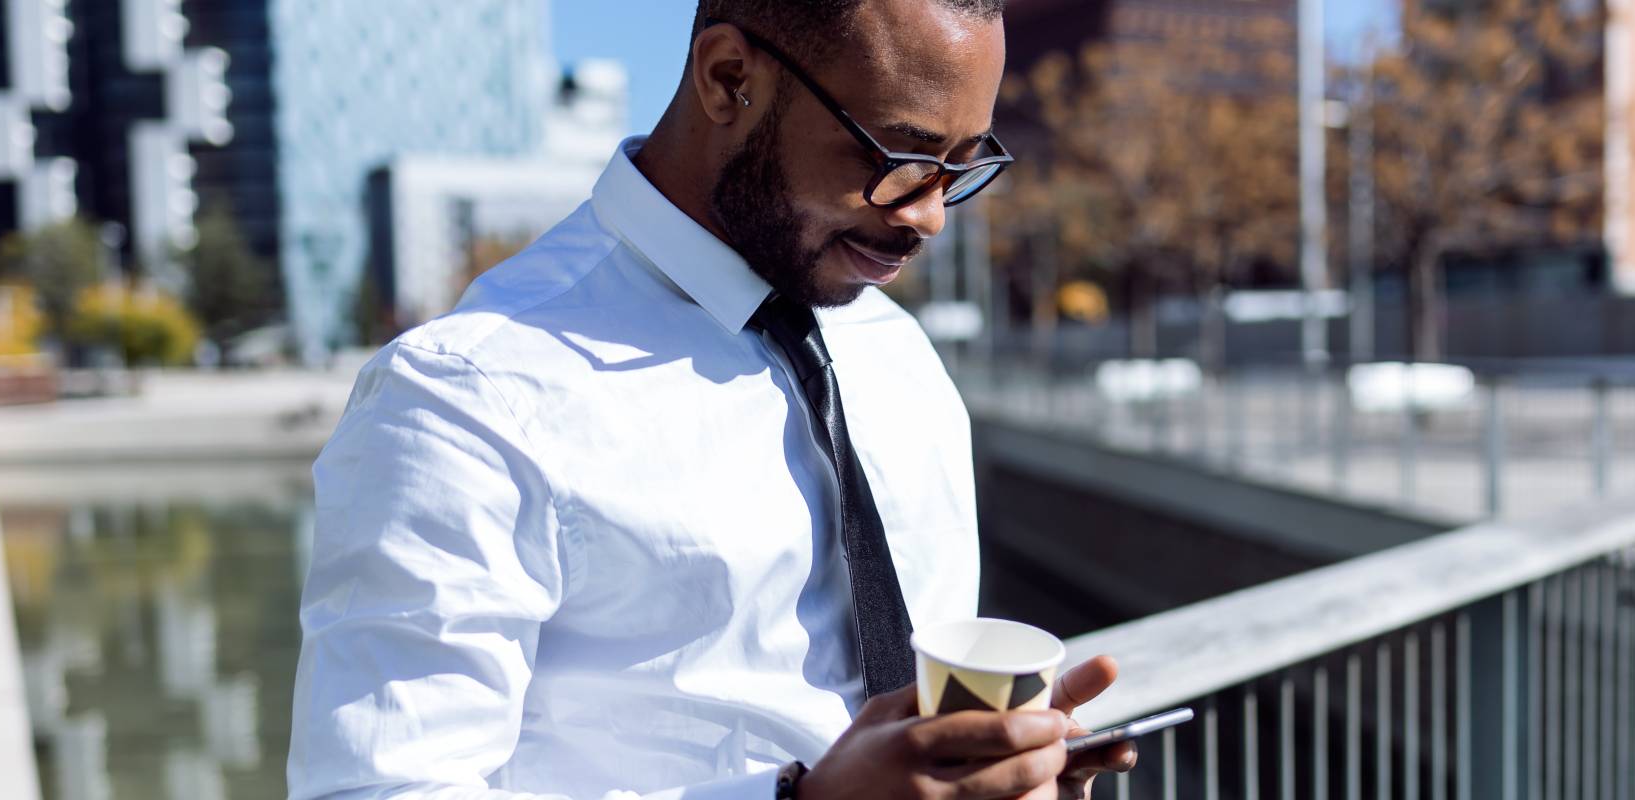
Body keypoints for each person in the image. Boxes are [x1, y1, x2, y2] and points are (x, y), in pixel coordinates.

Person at [286, 1, 1135, 797]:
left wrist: (994, 774)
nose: (931, 215)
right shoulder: (465, 400)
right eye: (898, 157)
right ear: (729, 77)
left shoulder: (894, 351)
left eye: (962, 166)